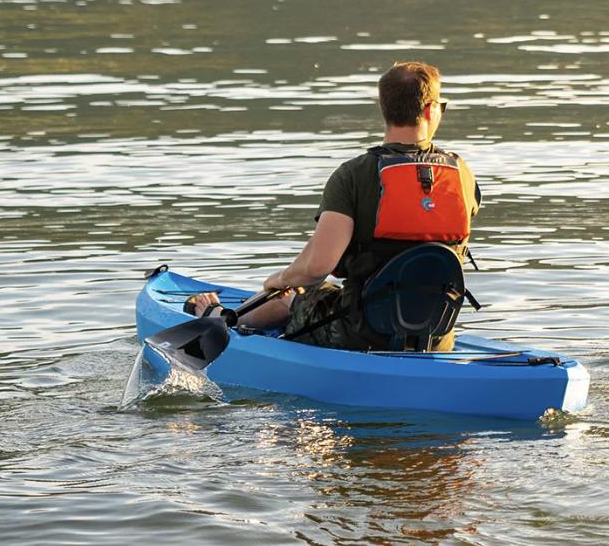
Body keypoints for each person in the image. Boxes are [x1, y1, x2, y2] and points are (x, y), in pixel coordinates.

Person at [184, 61, 480, 350]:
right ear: (430, 110)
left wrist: (280, 279)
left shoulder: (354, 175)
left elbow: (317, 268)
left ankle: (217, 318)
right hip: (437, 338)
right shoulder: (463, 175)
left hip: (359, 336)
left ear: (384, 109)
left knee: (294, 293)